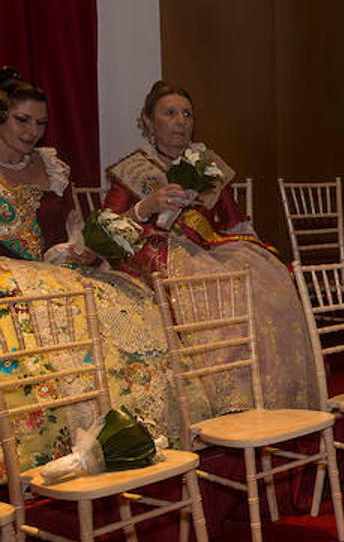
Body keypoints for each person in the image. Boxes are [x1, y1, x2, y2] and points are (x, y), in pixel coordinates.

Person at [0, 70, 187, 473]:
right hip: (9, 280)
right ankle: (41, 450)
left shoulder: (52, 167)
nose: (33, 131)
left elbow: (69, 226)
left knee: (126, 304)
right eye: (22, 120)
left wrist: (81, 249)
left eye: (40, 122)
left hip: (58, 271)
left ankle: (126, 435)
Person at [102, 82, 317, 411]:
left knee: (269, 285)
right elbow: (107, 226)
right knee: (215, 290)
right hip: (156, 254)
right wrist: (147, 205)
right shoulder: (133, 169)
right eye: (169, 113)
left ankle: (275, 394)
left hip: (211, 250)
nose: (180, 121)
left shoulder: (207, 165)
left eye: (187, 114)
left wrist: (259, 257)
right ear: (148, 121)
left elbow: (233, 222)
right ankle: (229, 399)